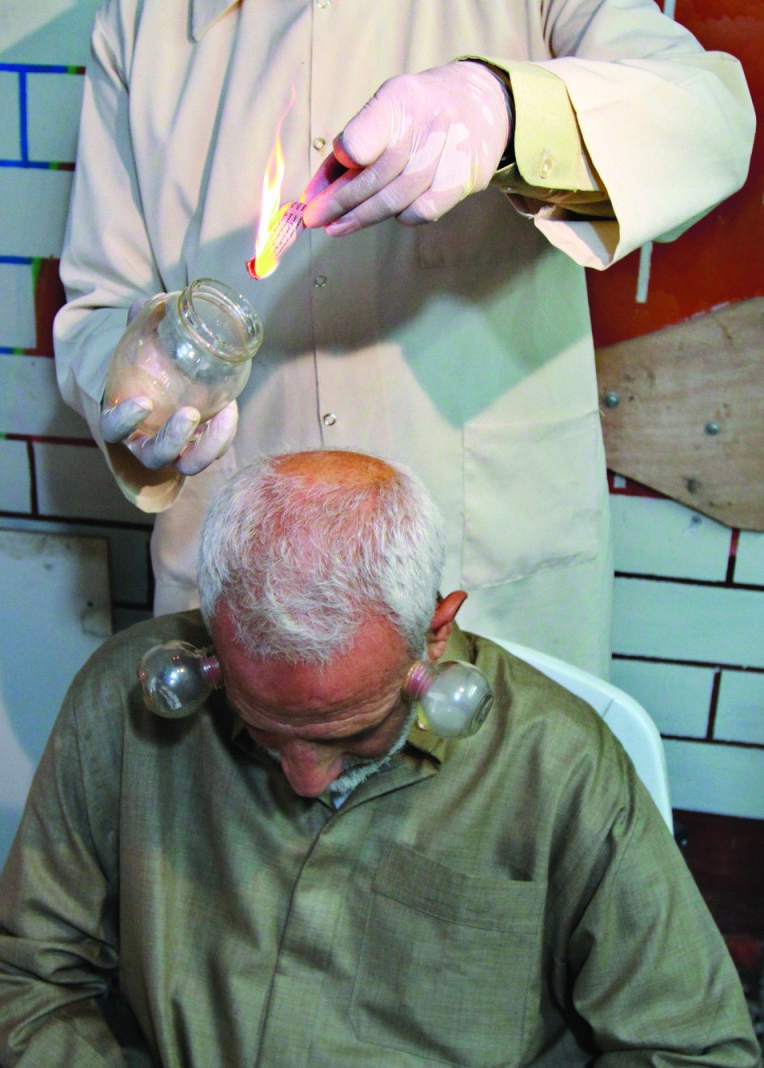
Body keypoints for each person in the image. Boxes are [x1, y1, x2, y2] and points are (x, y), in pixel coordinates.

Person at [52, 1, 755, 676]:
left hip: (481, 592)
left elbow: (712, 120)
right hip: (243, 609)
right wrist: (139, 397)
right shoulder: (139, 18)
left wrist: (506, 112)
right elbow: (100, 307)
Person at [0, 447, 759, 1066]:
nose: (304, 779)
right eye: (263, 729)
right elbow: (27, 972)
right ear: (214, 637)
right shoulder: (127, 700)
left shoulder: (556, 765)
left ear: (435, 631)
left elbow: (693, 1050)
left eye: (348, 734)